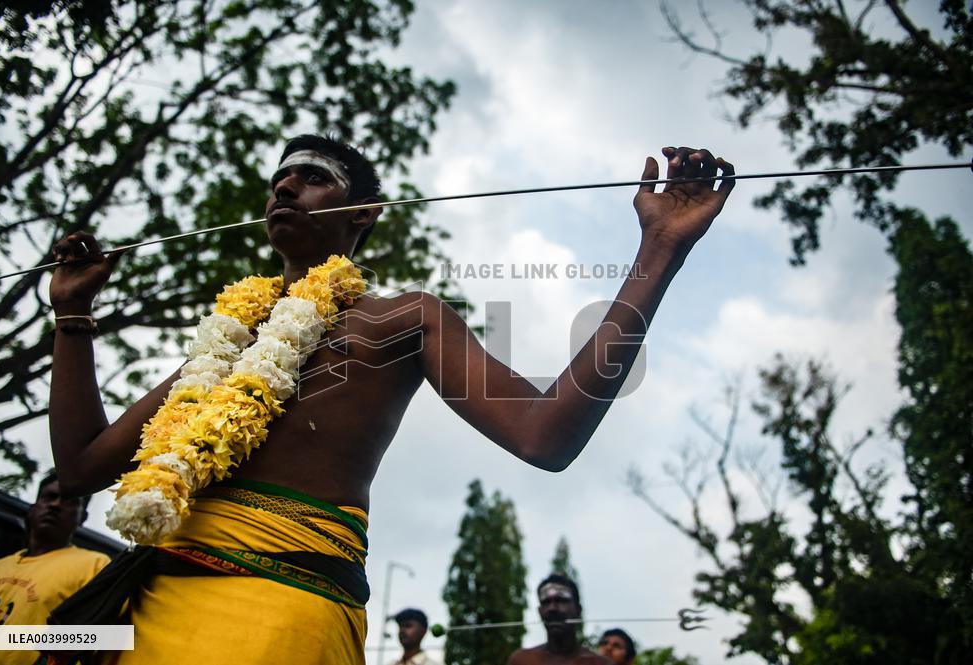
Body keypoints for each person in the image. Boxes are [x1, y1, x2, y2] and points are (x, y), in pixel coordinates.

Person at [47, 135, 735, 663]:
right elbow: (79, 468)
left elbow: (545, 434)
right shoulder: (224, 343)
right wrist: (73, 317)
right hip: (140, 597)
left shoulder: (405, 317)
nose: (286, 184)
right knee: (19, 643)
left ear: (366, 212)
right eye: (280, 177)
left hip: (276, 603)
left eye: (314, 176)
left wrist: (659, 252)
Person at [0, 471, 109, 665]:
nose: (55, 505)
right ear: (33, 509)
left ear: (82, 517)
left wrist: (21, 640)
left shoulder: (95, 565)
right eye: (49, 497)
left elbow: (112, 638)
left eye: (70, 501)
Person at [507, 574, 610, 664]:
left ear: (578, 610)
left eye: (561, 601)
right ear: (540, 612)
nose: (552, 608)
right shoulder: (523, 661)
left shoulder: (599, 663)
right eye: (546, 602)